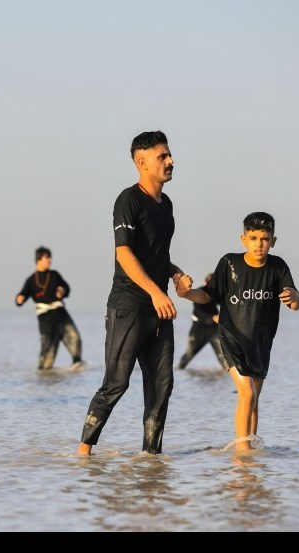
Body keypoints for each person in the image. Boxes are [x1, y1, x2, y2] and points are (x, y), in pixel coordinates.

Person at [77, 130, 192, 456]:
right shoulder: (128, 200)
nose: (170, 161)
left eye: (169, 154)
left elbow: (155, 254)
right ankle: (83, 455)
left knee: (161, 387)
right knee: (116, 383)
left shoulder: (166, 205)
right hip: (128, 308)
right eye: (162, 156)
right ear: (142, 163)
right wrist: (156, 292)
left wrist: (175, 273)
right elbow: (124, 254)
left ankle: (150, 461)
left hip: (160, 310)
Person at [177, 211, 299, 450]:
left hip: (261, 343)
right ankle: (242, 453)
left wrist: (295, 297)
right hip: (232, 338)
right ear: (243, 239)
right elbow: (207, 295)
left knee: (254, 399)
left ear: (273, 241)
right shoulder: (229, 263)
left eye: (265, 239)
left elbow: (296, 304)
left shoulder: (278, 267)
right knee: (247, 393)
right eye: (253, 238)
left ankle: (252, 450)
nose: (259, 244)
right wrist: (187, 294)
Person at [15, 246, 84, 371]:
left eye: (50, 257)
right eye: (47, 257)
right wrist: (19, 299)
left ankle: (77, 363)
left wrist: (62, 291)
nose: (50, 260)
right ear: (38, 260)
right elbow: (22, 296)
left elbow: (67, 288)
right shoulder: (31, 280)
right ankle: (43, 372)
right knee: (48, 348)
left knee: (75, 338)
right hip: (45, 317)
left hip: (61, 313)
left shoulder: (55, 275)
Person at [177, 273, 224, 370]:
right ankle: (178, 372)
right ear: (205, 282)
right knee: (189, 355)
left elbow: (224, 304)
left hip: (214, 329)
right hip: (198, 329)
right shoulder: (199, 292)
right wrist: (213, 317)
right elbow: (199, 312)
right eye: (210, 283)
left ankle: (227, 376)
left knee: (224, 357)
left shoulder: (217, 293)